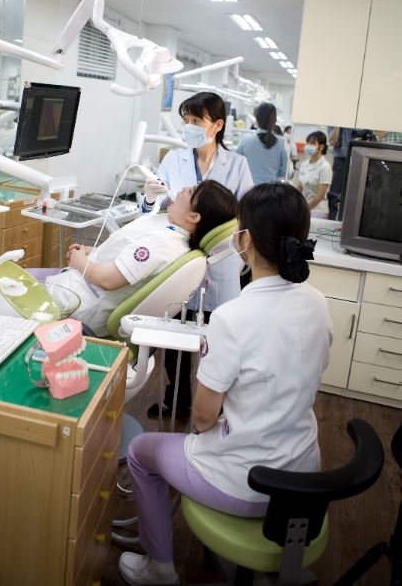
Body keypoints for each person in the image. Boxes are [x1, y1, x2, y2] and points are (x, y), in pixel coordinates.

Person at [118, 183, 333, 586]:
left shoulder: (232, 318)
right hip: (302, 478)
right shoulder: (318, 303)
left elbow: (202, 419)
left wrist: (219, 422)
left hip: (245, 484)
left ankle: (159, 569)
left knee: (141, 452)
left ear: (244, 240)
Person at [0, 180, 238, 338]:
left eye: (190, 192)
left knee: (1, 289)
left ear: (194, 217)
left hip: (81, 301)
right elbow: (124, 255)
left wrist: (80, 261)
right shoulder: (169, 229)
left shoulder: (163, 245)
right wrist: (91, 253)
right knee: (13, 273)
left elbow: (108, 280)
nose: (182, 189)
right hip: (78, 283)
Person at [141, 91, 253, 416]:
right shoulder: (173, 160)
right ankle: (177, 400)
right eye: (186, 120)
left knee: (216, 342)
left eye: (196, 120)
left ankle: (213, 407)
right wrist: (149, 199)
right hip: (179, 262)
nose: (189, 126)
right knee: (174, 339)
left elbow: (246, 216)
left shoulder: (237, 165)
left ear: (217, 125)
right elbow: (153, 211)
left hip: (221, 263)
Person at [235, 101, 288, 184]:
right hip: (270, 188)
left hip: (249, 187)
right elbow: (284, 171)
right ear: (274, 120)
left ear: (257, 119)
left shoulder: (246, 139)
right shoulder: (282, 142)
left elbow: (236, 164)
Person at [293, 131, 332, 218]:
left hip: (318, 210)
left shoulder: (325, 167)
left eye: (312, 143)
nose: (308, 146)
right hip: (304, 206)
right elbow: (299, 188)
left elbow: (320, 196)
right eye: (308, 143)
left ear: (321, 147)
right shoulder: (304, 164)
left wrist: (305, 209)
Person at [326, 126, 354, 220]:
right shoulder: (335, 122)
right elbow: (332, 141)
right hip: (341, 160)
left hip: (358, 158)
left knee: (355, 193)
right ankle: (332, 220)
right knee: (335, 194)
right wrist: (338, 125)